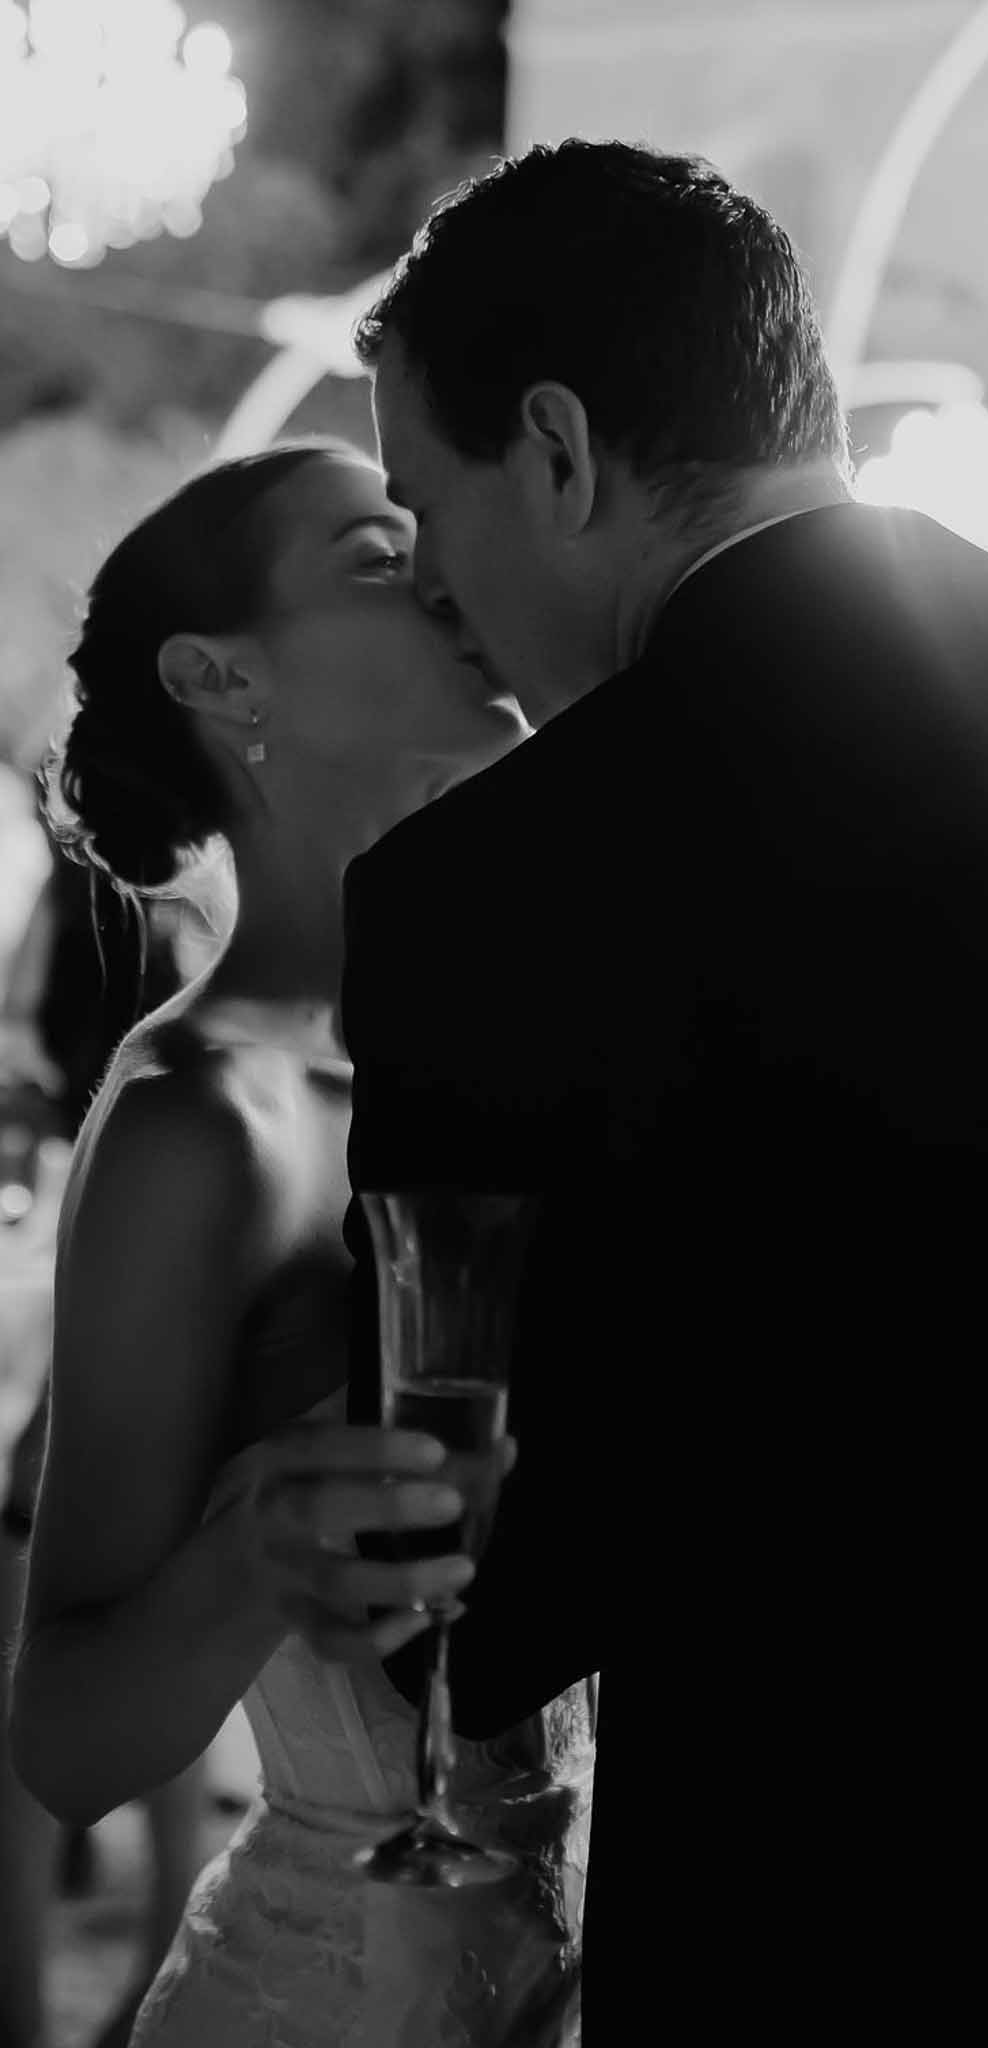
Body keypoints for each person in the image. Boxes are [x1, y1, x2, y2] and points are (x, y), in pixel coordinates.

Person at [340, 138, 988, 2036]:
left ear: (561, 455)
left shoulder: (487, 894)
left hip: (856, 1927)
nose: (438, 596)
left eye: (430, 514)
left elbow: (490, 1570)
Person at [9, 438, 593, 2047]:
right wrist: (256, 1550)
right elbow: (65, 1740)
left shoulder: (513, 1040)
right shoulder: (201, 1119)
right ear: (221, 678)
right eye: (370, 555)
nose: (443, 580)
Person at [0, 835, 205, 2048]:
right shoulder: (187, 930)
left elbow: (28, 1063)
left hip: (82, 1279)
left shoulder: (112, 921)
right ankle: (146, 1930)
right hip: (116, 1280)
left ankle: (25, 1996)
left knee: (37, 1622)